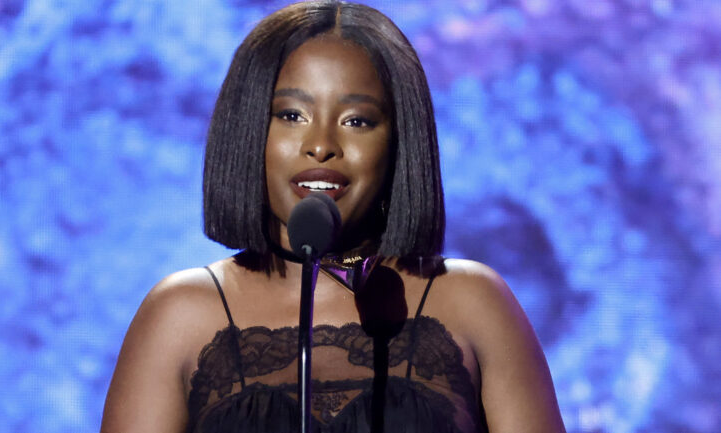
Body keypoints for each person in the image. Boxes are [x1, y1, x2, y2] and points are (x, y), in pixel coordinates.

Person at [101, 1, 566, 432]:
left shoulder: (473, 302)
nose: (321, 144)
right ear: (247, 132)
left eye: (356, 121)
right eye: (290, 115)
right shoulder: (179, 313)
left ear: (399, 144)